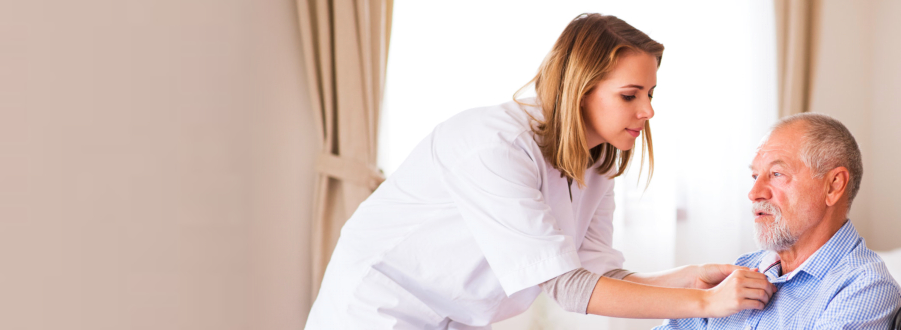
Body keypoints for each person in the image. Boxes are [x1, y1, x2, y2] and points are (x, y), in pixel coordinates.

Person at [304, 13, 774, 329]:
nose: (648, 111)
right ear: (580, 89)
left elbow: (597, 274)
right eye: (631, 95)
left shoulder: (597, 162)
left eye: (652, 94)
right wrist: (707, 305)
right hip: (377, 311)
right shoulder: (494, 144)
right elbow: (568, 289)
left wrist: (691, 278)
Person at [659, 113, 901, 329]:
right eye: (755, 176)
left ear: (833, 186)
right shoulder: (740, 271)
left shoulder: (866, 289)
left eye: (776, 174)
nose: (754, 193)